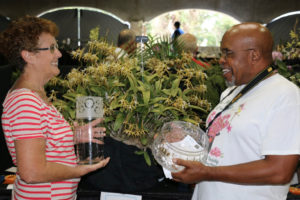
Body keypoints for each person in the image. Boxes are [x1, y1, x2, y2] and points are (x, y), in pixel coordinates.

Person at [171, 22, 300, 200]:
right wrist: (184, 141)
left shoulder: (285, 95)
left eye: (228, 53)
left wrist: (208, 173)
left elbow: (279, 171)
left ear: (253, 55)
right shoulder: (232, 91)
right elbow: (224, 143)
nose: (221, 59)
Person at [0, 15, 110, 200]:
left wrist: (74, 137)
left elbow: (46, 145)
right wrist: (80, 170)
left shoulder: (36, 95)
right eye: (51, 48)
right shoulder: (24, 101)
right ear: (28, 55)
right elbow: (32, 172)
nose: (59, 54)